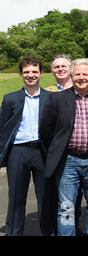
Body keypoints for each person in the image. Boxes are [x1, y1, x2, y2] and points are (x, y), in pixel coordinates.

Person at [41, 58, 88, 236]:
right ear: (72, 75)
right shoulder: (58, 98)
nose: (81, 77)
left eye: (84, 74)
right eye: (77, 74)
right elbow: (46, 130)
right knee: (66, 207)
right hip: (67, 162)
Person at [0, 56, 52, 236]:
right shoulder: (10, 99)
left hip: (42, 152)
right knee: (16, 197)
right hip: (18, 151)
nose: (31, 75)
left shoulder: (51, 98)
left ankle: (48, 232)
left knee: (45, 197)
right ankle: (14, 232)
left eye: (34, 72)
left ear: (42, 73)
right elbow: (2, 129)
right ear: (21, 74)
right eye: (27, 72)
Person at [45, 54, 86, 236]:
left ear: (70, 69)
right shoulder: (47, 92)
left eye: (63, 66)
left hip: (82, 153)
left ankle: (75, 226)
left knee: (78, 198)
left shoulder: (82, 88)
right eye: (56, 67)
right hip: (57, 152)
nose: (60, 69)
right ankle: (60, 229)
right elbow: (45, 127)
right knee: (61, 198)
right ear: (52, 70)